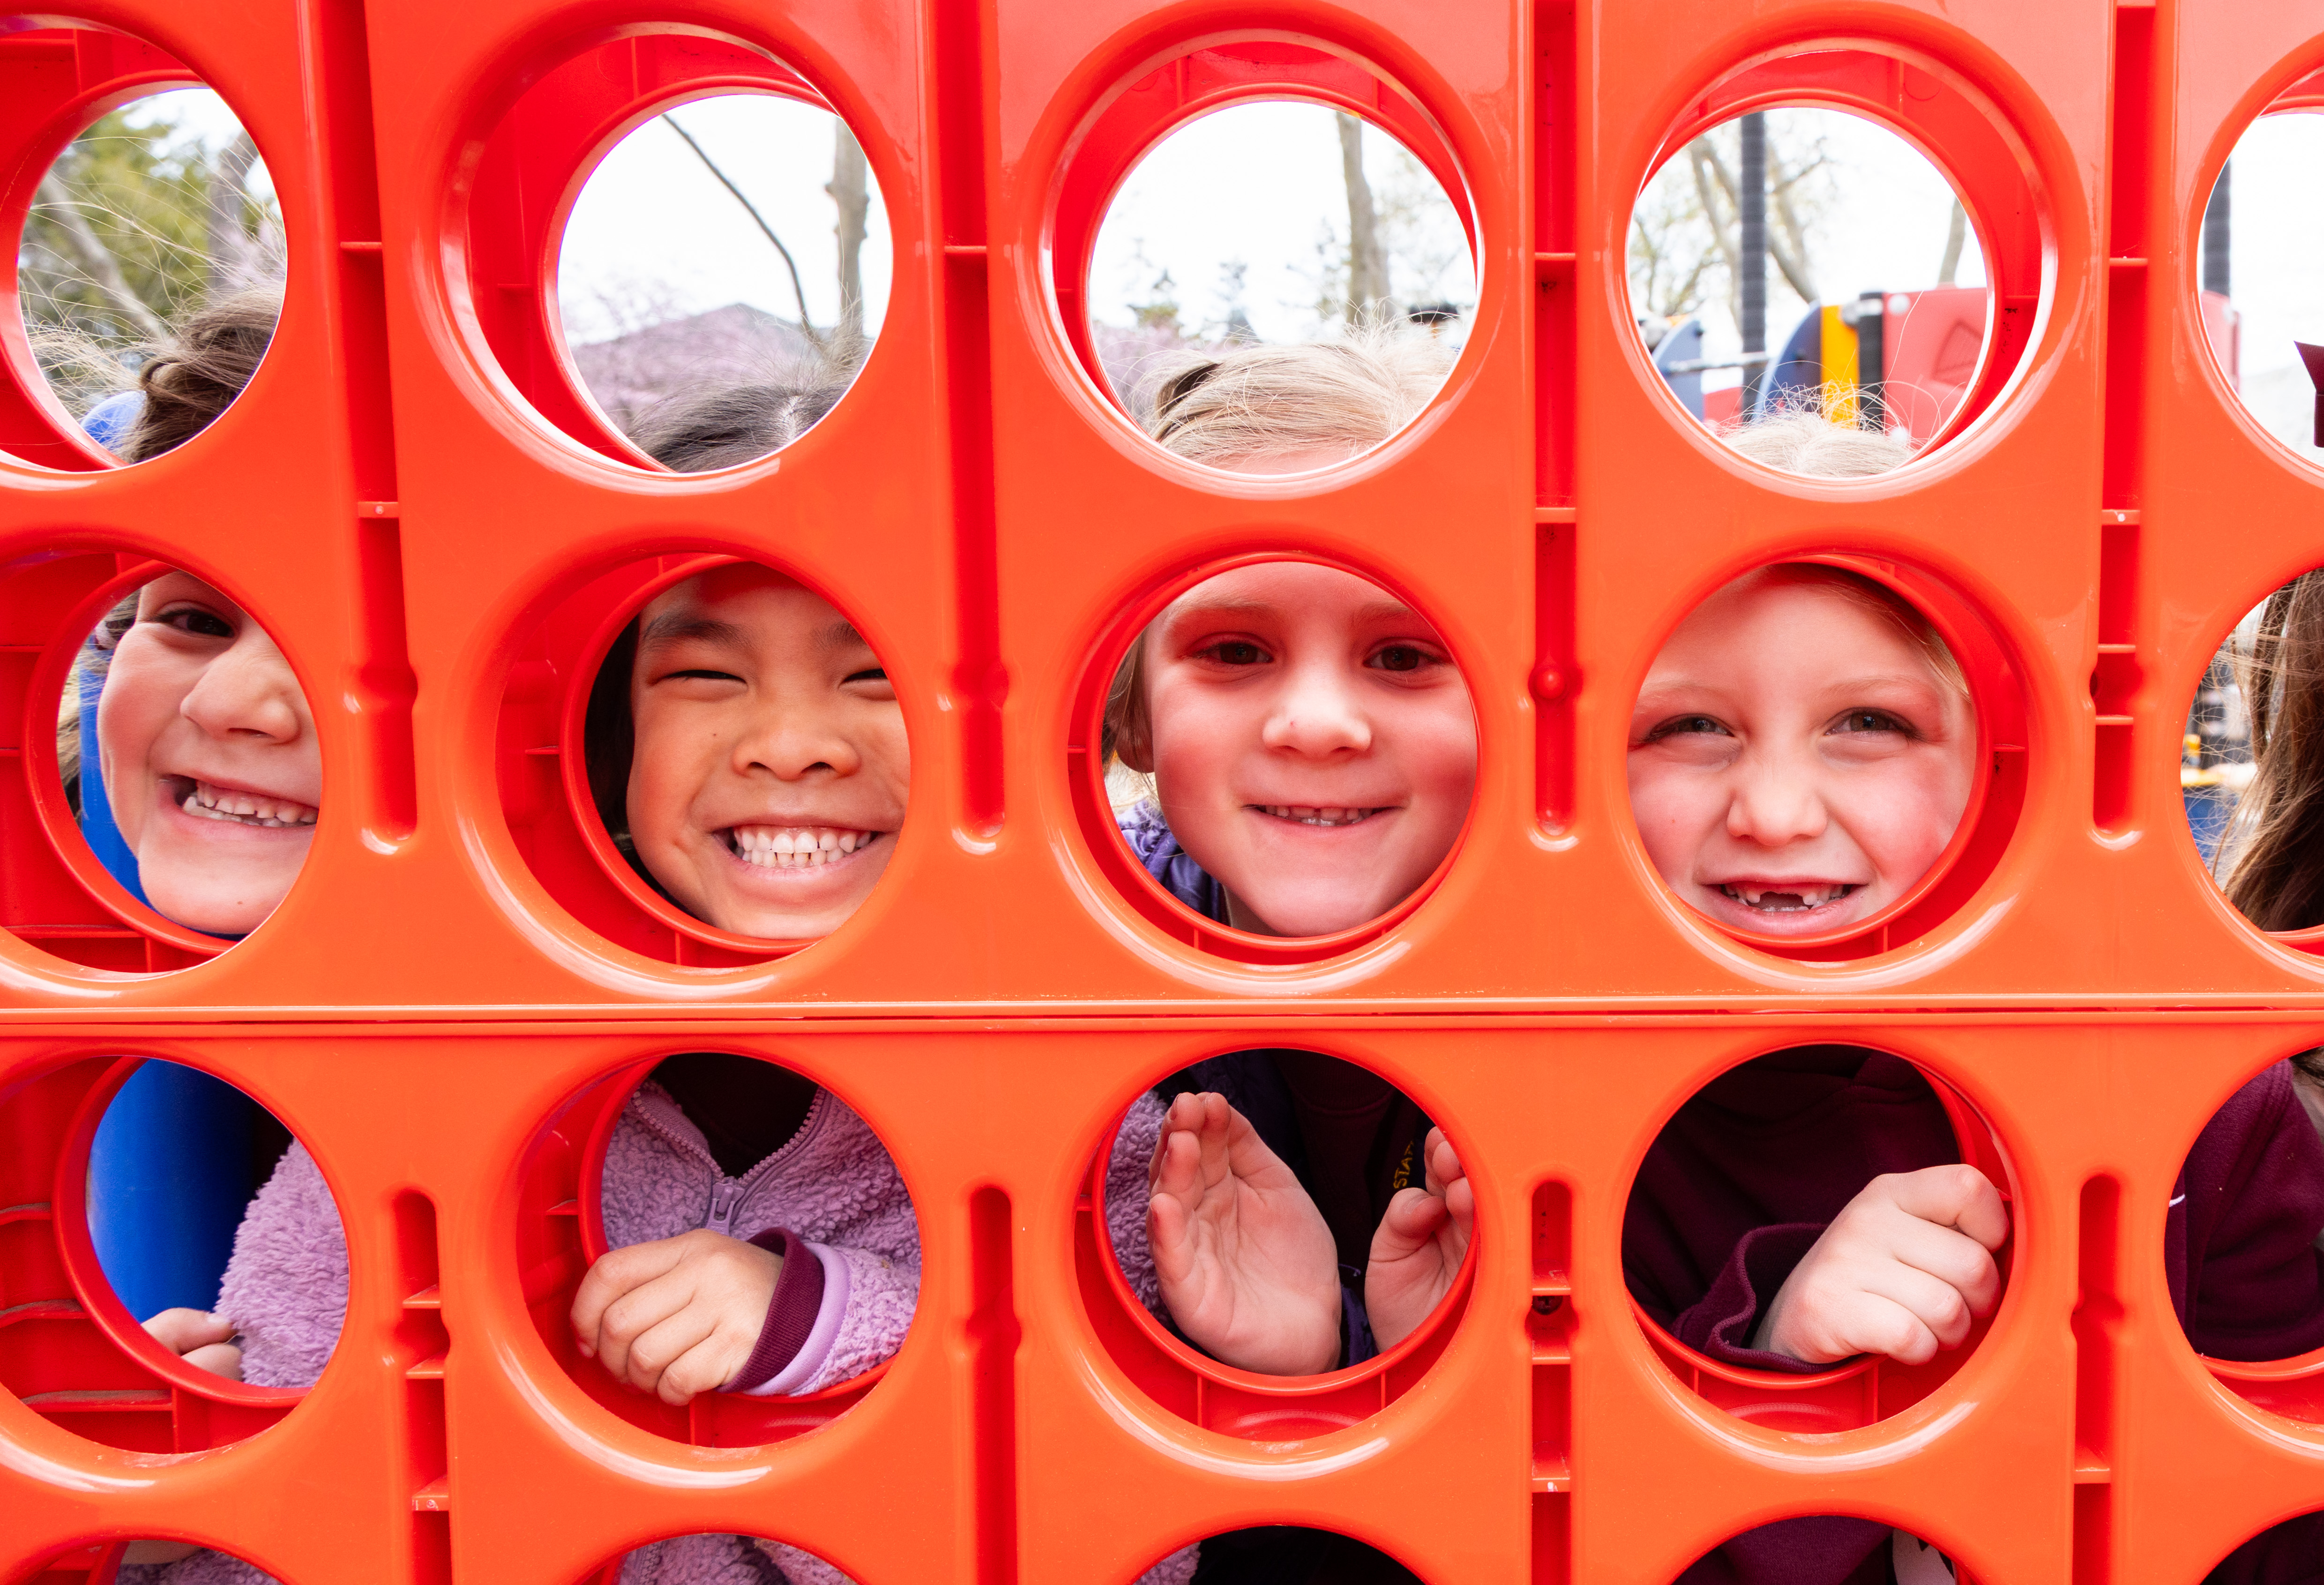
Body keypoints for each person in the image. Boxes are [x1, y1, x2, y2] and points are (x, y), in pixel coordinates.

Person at [123, 374, 893, 1585]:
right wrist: (179, 1519)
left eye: (876, 673)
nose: (791, 745)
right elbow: (313, 1473)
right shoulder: (425, 1079)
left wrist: (824, 1334)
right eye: (703, 676)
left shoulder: (1081, 1116)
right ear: (601, 733)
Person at [1099, 333, 1468, 1585]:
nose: (1318, 724)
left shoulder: (1611, 976)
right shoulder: (1069, 967)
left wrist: (1374, 1360)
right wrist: (1291, 1378)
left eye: (1405, 655)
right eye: (1236, 652)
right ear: (1130, 710)